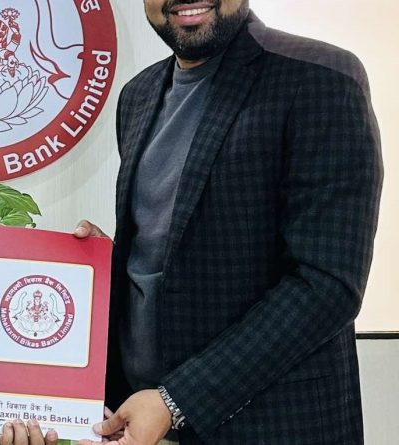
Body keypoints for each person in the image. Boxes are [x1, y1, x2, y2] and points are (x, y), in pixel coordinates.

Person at [74, 1, 382, 444]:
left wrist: (176, 401)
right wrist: (101, 262)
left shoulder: (321, 76)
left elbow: (328, 284)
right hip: (138, 421)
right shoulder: (138, 95)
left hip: (274, 428)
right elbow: (166, 250)